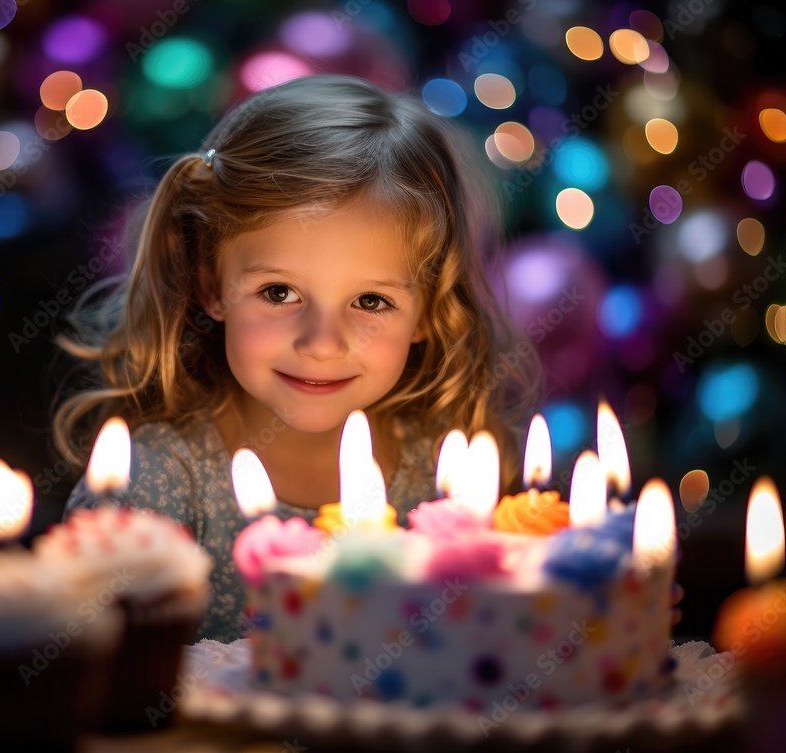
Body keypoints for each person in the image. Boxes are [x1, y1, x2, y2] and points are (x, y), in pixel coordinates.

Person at [52, 74, 538, 643]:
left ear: (428, 310)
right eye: (279, 293)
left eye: (371, 301)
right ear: (211, 284)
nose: (321, 343)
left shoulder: (450, 485)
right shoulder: (153, 486)